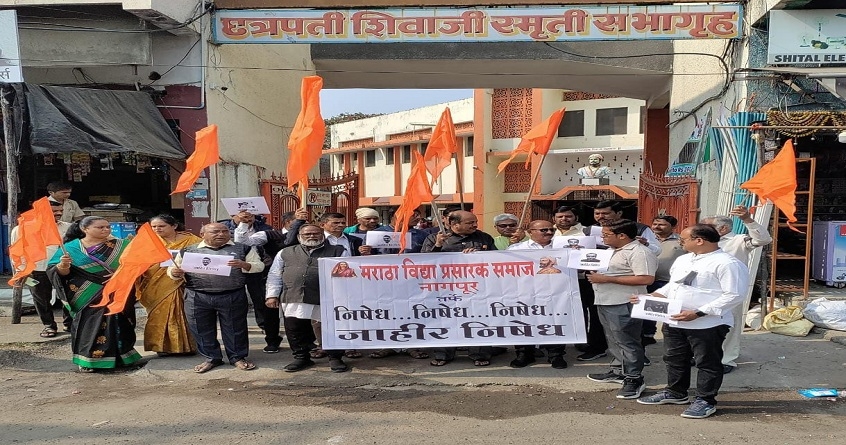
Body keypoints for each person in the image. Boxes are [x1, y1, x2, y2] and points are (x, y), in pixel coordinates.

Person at [636, 224, 749, 419]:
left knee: (707, 362)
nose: (681, 242)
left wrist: (698, 313)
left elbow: (734, 295)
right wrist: (653, 296)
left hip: (707, 324)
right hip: (675, 319)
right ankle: (676, 392)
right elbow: (674, 285)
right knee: (674, 358)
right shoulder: (683, 259)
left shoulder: (727, 263)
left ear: (699, 240)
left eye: (684, 239)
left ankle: (705, 400)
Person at [46, 216, 141, 372]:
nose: (105, 230)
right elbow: (57, 273)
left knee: (120, 323)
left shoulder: (122, 245)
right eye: (100, 227)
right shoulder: (70, 248)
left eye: (107, 227)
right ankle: (88, 361)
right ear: (85, 229)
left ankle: (123, 357)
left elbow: (137, 264)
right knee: (89, 326)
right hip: (86, 294)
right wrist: (63, 266)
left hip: (117, 292)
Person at [168, 222, 264, 373]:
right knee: (201, 328)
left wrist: (244, 265)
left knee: (235, 328)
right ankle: (211, 358)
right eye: (215, 232)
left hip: (232, 294)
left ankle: (237, 357)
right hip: (197, 296)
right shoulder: (188, 251)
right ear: (202, 234)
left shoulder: (242, 248)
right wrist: (175, 273)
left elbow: (259, 266)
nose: (221, 234)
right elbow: (172, 270)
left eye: (224, 231)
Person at [586, 219, 656, 400]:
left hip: (624, 302)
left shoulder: (639, 252)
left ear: (622, 235)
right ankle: (619, 370)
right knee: (613, 339)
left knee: (628, 341)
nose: (602, 237)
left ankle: (634, 378)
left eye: (606, 235)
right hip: (605, 300)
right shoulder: (611, 251)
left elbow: (646, 279)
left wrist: (607, 279)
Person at [266, 224, 351, 373]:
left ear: (322, 236)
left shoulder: (338, 251)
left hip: (326, 299)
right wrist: (272, 295)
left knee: (330, 329)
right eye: (307, 234)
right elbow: (274, 275)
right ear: (299, 237)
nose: (312, 236)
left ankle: (335, 358)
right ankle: (301, 358)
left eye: (316, 233)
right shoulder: (285, 253)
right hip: (293, 297)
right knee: (295, 329)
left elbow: (347, 275)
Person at [701, 205, 772, 374]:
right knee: (702, 324)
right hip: (703, 290)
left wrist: (747, 219)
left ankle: (727, 359)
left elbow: (763, 239)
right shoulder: (701, 242)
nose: (702, 229)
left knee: (730, 325)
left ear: (723, 228)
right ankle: (702, 356)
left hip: (729, 291)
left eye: (707, 226)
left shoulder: (739, 241)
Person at [422, 210, 497, 367]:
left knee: (478, 319)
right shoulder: (435, 238)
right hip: (445, 289)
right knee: (445, 320)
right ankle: (443, 354)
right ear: (454, 224)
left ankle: (480, 353)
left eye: (475, 221)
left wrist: (479, 256)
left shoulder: (484, 237)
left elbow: (497, 260)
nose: (475, 225)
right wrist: (437, 246)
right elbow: (424, 262)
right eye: (470, 223)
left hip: (477, 288)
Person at [136, 215, 201, 356]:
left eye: (161, 226)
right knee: (158, 315)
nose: (157, 229)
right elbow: (136, 261)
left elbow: (202, 257)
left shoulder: (191, 240)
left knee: (182, 313)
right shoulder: (147, 242)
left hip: (182, 282)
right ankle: (162, 346)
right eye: (154, 227)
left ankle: (186, 346)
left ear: (174, 226)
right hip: (154, 283)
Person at [507, 220, 568, 369]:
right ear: (530, 232)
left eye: (551, 230)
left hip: (556, 293)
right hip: (524, 293)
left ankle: (555, 355)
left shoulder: (562, 247)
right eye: (544, 230)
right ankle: (524, 354)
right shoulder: (516, 248)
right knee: (524, 322)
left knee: (555, 322)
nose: (549, 233)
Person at [10, 201, 72, 338]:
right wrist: (21, 272)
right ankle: (49, 325)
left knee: (68, 296)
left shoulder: (68, 227)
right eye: (54, 211)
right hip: (36, 270)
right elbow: (16, 252)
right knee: (41, 299)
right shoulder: (21, 229)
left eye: (60, 211)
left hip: (62, 268)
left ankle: (69, 323)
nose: (59, 214)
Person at [232, 210, 290, 354]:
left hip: (293, 276)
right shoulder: (270, 233)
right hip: (264, 274)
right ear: (288, 222)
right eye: (299, 221)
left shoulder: (308, 234)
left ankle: (303, 341)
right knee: (268, 308)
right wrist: (243, 224)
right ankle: (272, 340)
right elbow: (242, 241)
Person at [642, 215, 685, 348]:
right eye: (654, 224)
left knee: (670, 313)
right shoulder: (646, 240)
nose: (656, 227)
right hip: (648, 281)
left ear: (673, 227)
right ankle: (647, 336)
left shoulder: (681, 241)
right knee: (647, 310)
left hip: (668, 283)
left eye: (661, 224)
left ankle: (674, 339)